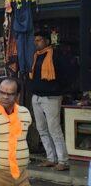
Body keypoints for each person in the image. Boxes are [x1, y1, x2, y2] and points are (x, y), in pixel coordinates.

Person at [30, 31, 71, 171]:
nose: (36, 43)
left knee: (54, 128)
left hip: (51, 97)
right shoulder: (36, 56)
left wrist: (57, 89)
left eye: (39, 40)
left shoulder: (56, 55)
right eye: (35, 40)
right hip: (37, 96)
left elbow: (67, 73)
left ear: (47, 41)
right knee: (41, 128)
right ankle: (51, 158)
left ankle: (63, 161)